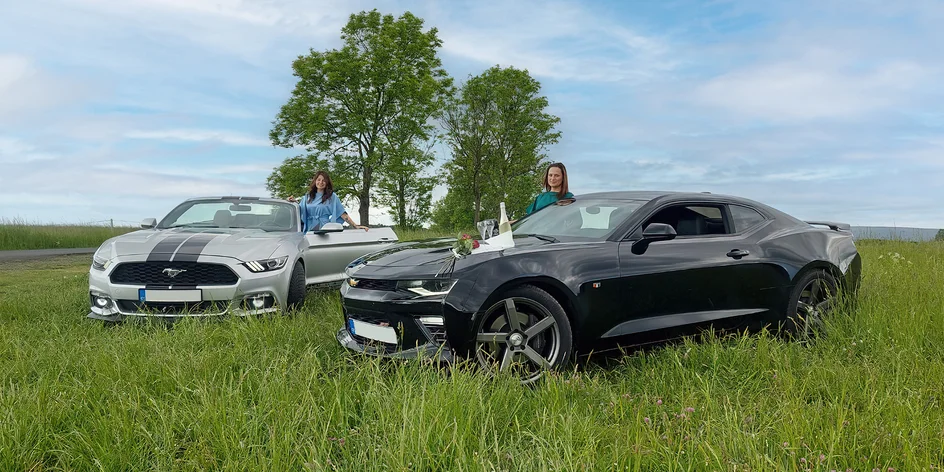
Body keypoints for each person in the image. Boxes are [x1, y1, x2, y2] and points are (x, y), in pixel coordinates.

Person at [289, 171, 368, 232]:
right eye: (319, 180)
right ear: (315, 181)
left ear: (327, 183)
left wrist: (355, 225)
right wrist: (294, 202)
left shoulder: (332, 197)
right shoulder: (308, 196)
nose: (321, 182)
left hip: (323, 228)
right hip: (308, 228)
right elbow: (301, 209)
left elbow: (342, 213)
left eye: (324, 180)